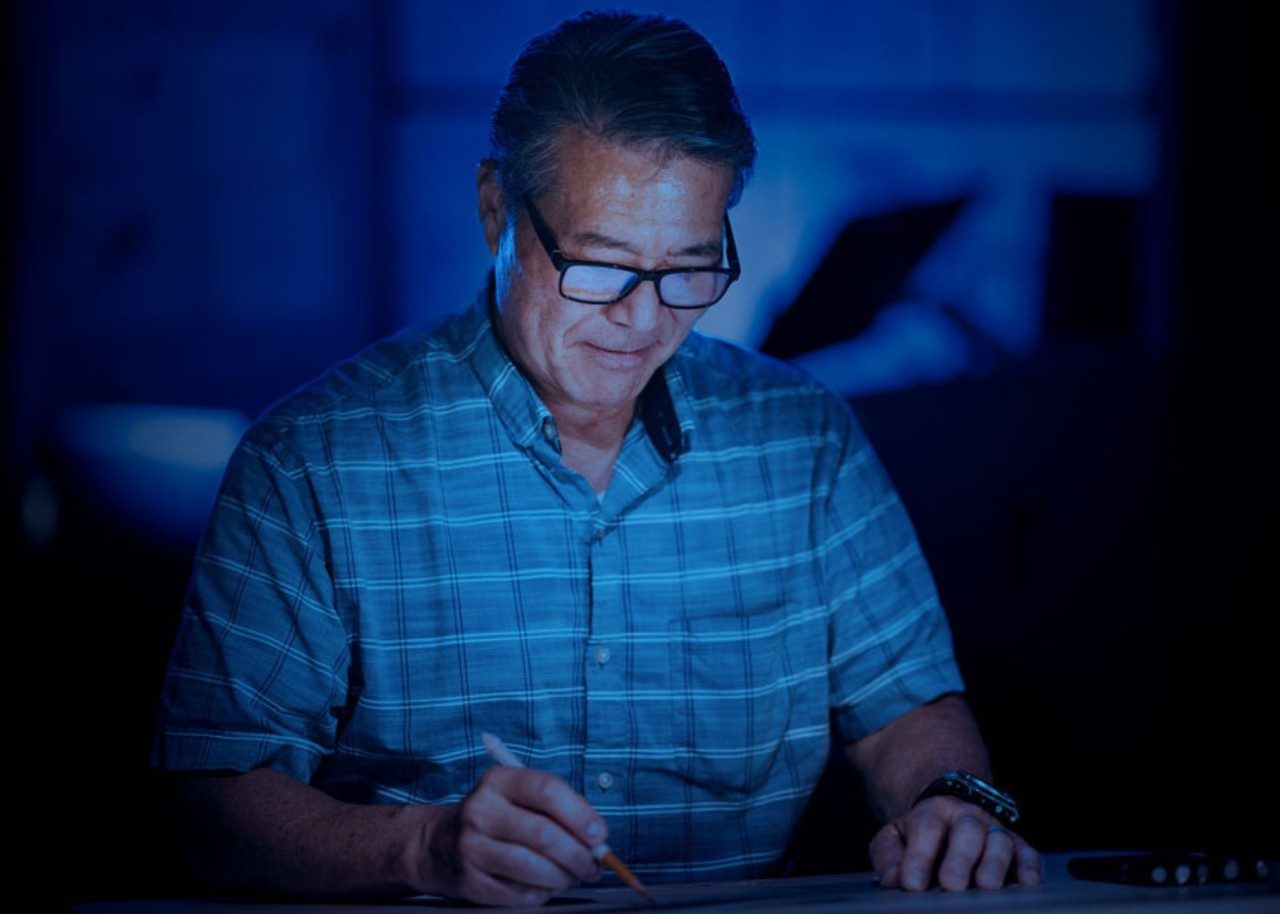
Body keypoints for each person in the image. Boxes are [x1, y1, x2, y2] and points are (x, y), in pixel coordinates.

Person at [150, 9, 1042, 906]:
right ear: (496, 208)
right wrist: (424, 848)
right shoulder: (313, 462)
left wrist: (950, 803)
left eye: (689, 269)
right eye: (601, 265)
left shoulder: (804, 440)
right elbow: (213, 803)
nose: (644, 319)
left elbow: (906, 709)